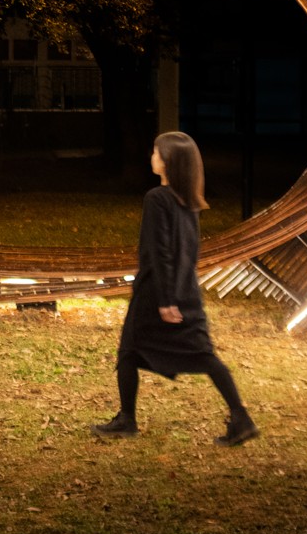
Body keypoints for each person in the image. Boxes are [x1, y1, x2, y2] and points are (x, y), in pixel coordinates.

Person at [92, 131, 257, 445]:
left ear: (168, 161)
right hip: (185, 289)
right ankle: (241, 417)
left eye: (156, 152)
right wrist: (181, 292)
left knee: (128, 350)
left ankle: (127, 420)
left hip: (157, 291)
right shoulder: (189, 201)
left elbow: (160, 251)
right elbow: (188, 252)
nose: (152, 156)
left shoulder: (157, 198)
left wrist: (166, 300)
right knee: (203, 355)